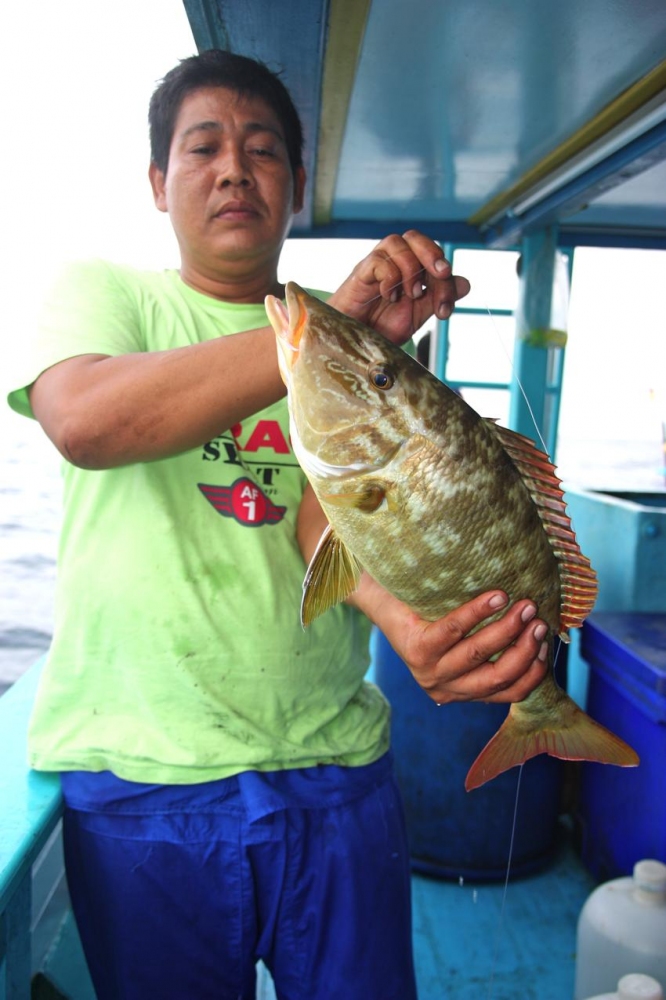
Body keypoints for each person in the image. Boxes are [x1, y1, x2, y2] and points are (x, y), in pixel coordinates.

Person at [8, 50, 548, 1000]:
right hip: (146, 777)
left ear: (296, 187)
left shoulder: (338, 351)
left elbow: (326, 519)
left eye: (261, 152)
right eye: (202, 147)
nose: (232, 169)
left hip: (336, 768)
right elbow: (88, 421)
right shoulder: (109, 294)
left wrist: (410, 627)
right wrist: (327, 329)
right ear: (156, 181)